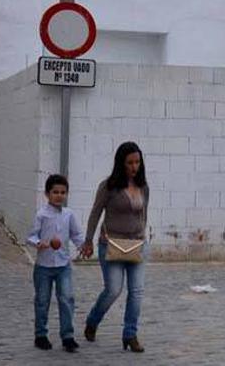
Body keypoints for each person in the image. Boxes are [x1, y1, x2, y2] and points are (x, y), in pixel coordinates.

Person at [80, 141, 150, 353]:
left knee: (137, 291)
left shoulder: (143, 186)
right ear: (121, 163)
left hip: (136, 244)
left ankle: (130, 335)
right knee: (113, 290)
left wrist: (142, 235)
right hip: (111, 245)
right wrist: (88, 240)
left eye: (137, 162)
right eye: (129, 162)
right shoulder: (108, 186)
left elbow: (143, 214)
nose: (134, 166)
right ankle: (92, 321)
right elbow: (95, 213)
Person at [26, 174, 86, 353]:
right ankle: (40, 335)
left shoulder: (69, 214)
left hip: (63, 266)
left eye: (63, 192)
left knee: (66, 299)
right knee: (42, 300)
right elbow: (30, 236)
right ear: (47, 194)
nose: (59, 195)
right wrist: (39, 243)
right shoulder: (41, 214)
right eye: (55, 192)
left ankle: (67, 336)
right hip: (43, 266)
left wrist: (83, 247)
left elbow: (76, 234)